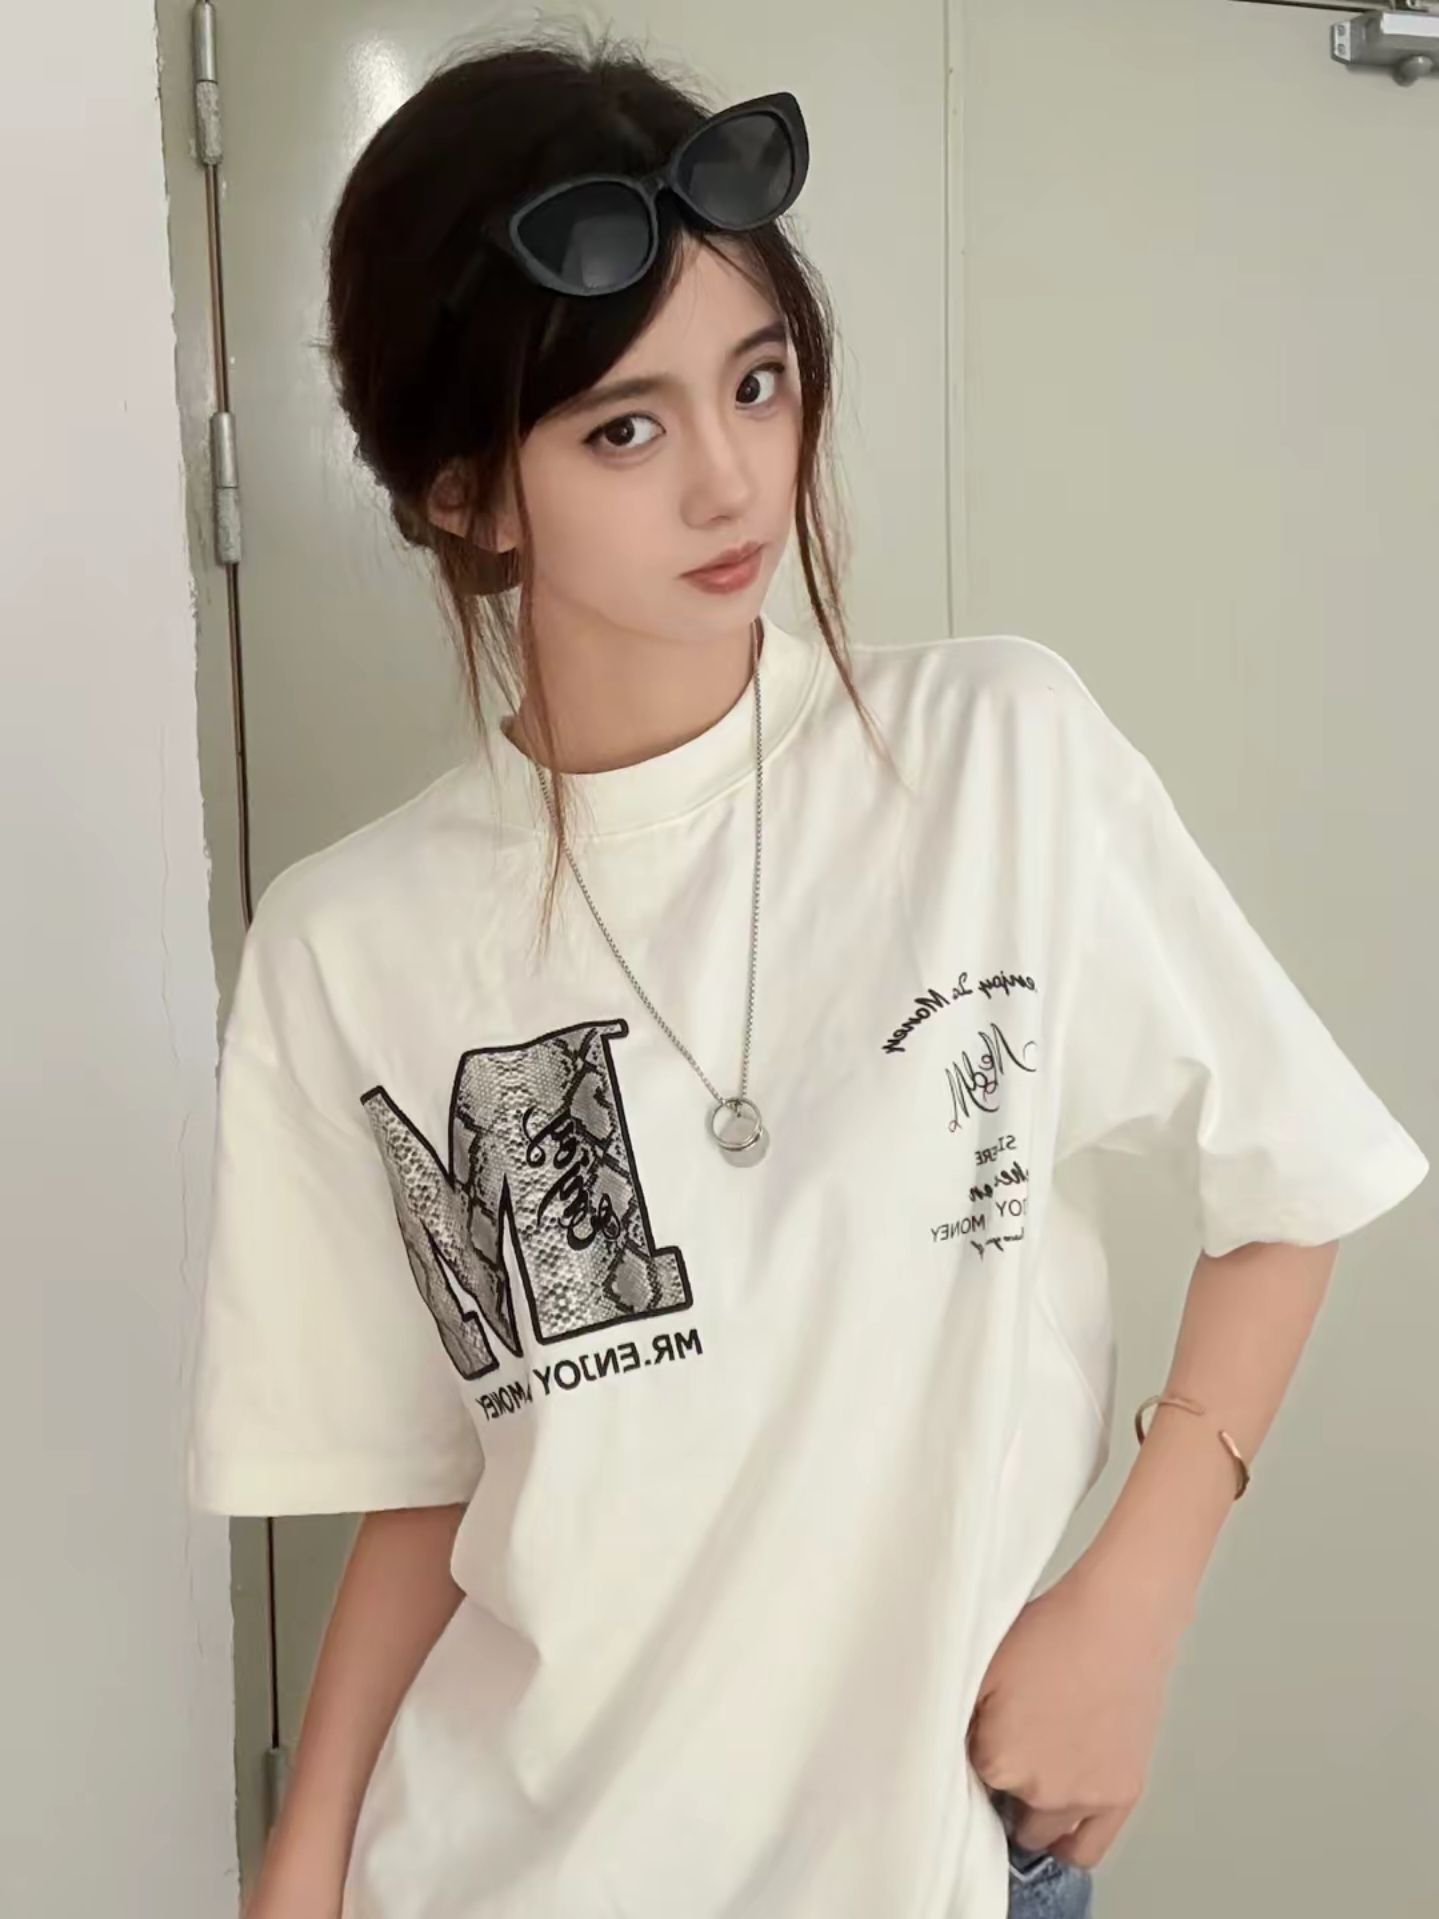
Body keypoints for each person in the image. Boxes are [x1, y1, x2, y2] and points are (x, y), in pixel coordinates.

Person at [185, 26, 1429, 1919]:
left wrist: (1133, 1599)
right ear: (466, 493)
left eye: (757, 381)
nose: (730, 481)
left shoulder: (995, 761)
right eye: (625, 428)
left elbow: (1294, 1186)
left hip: (929, 1867)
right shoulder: (348, 944)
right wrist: (303, 1861)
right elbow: (442, 1477)